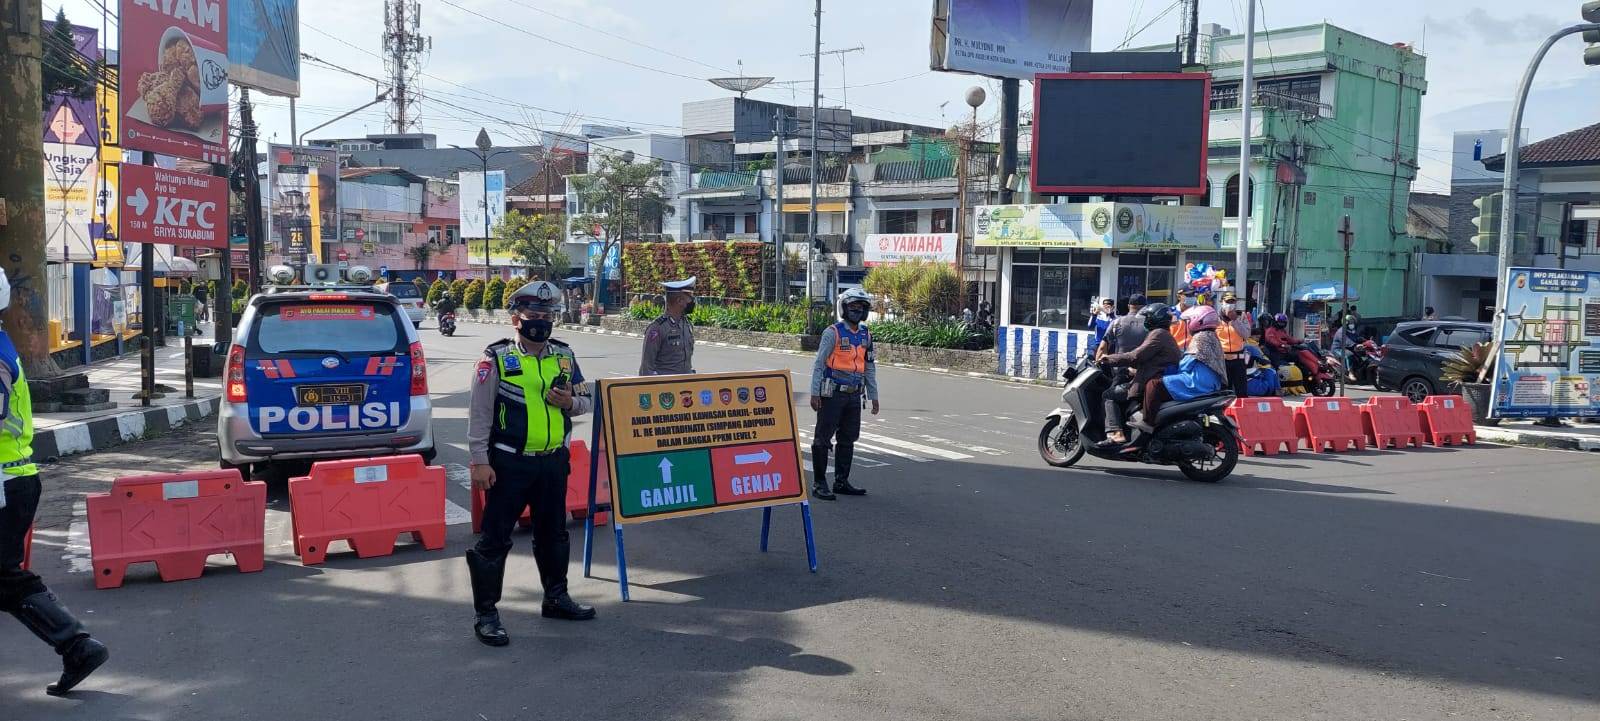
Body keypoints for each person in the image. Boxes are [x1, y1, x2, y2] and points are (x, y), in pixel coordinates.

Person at [464, 280, 596, 647]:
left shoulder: (564, 356)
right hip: (509, 464)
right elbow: (479, 414)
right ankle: (486, 615)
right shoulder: (496, 359)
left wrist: (569, 402)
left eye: (547, 315)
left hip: (552, 462)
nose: (541, 321)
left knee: (554, 534)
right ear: (515, 319)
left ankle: (556, 597)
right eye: (533, 314)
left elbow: (586, 400)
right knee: (494, 539)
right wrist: (479, 461)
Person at [0, 269, 110, 695]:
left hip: (6, 483)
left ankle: (77, 645)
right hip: (14, 479)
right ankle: (76, 646)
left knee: (5, 578)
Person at [809, 289, 879, 500]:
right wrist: (814, 393)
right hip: (832, 394)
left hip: (854, 395)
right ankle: (819, 484)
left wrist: (873, 395)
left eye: (861, 307)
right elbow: (819, 363)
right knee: (823, 439)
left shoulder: (866, 335)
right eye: (853, 307)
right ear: (844, 308)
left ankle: (841, 481)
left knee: (848, 439)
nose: (857, 311)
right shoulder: (833, 333)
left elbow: (869, 366)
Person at [1133, 305, 1228, 432]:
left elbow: (1186, 363)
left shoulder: (1200, 337)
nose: (1187, 325)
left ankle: (1148, 422)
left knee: (1154, 384)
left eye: (1189, 321)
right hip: (1210, 382)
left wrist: (1167, 369)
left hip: (1197, 381)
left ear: (1199, 320)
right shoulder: (1211, 336)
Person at [1097, 303, 1182, 445]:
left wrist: (1109, 359)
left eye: (1147, 318)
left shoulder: (1158, 334)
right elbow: (1150, 359)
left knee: (1109, 395)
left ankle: (1116, 433)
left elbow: (1135, 356)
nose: (1145, 321)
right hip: (1156, 377)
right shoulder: (1165, 335)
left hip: (1149, 380)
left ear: (1156, 319)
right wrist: (1133, 369)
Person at [639, 277, 696, 376]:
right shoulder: (657, 328)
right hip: (666, 383)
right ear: (679, 301)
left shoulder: (687, 324)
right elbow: (646, 368)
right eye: (690, 297)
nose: (692, 301)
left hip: (686, 382)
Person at [1264, 313, 1322, 378]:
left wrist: (1301, 341)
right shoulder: (1270, 330)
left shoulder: (1282, 331)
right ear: (1275, 322)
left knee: (1299, 356)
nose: (1281, 324)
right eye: (1280, 322)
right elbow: (1272, 341)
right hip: (1275, 354)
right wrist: (1283, 345)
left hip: (1285, 353)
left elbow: (1290, 339)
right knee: (1285, 368)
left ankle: (1308, 373)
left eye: (1283, 323)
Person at [1217, 292, 1251, 397]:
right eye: (1227, 301)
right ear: (1221, 302)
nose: (1230, 304)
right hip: (1222, 360)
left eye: (1232, 302)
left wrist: (1235, 320)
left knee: (1242, 391)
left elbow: (1246, 335)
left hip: (1238, 359)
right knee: (1224, 391)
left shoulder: (1241, 316)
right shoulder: (1215, 318)